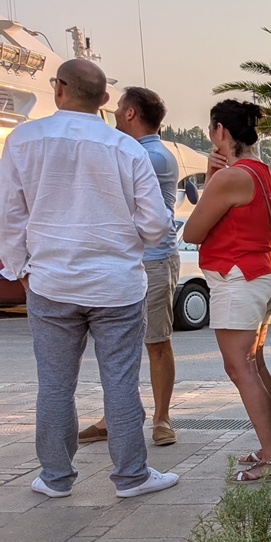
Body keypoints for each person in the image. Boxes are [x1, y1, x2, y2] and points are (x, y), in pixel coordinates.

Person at [0, 59, 179, 498]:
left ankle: (55, 477)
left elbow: (9, 215)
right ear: (104, 99)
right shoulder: (126, 149)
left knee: (55, 384)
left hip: (50, 281)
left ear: (58, 88)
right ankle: (131, 475)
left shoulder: (23, 140)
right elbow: (157, 223)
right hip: (116, 283)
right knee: (120, 381)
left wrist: (20, 270)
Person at [182, 100, 271, 482]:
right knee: (254, 365)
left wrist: (212, 177)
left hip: (236, 276)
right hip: (257, 273)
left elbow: (192, 232)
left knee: (240, 368)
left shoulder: (231, 177)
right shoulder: (260, 171)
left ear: (220, 131)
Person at [78, 86, 181, 447]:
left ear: (131, 113)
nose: (115, 113)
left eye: (119, 108)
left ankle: (160, 418)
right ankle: (120, 416)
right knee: (120, 344)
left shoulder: (146, 155)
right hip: (133, 259)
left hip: (151, 260)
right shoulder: (148, 152)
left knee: (156, 341)